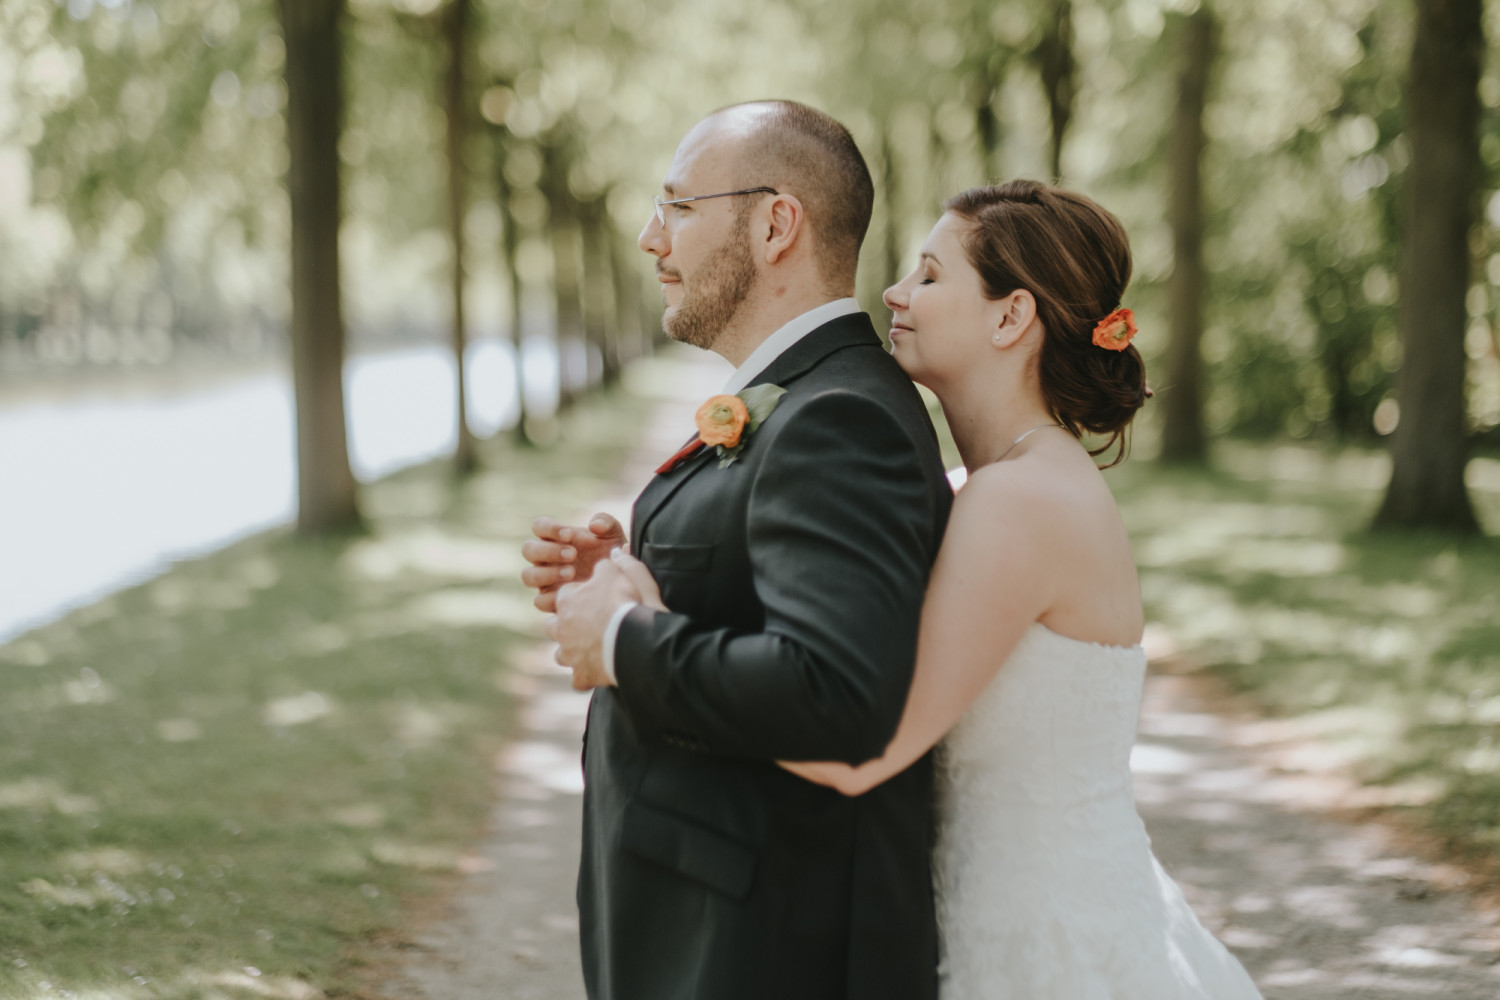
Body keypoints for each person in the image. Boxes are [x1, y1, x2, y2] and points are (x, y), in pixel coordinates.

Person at [602, 180, 1265, 998]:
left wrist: (638, 635)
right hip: (987, 905)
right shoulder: (977, 487)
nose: (893, 292)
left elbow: (855, 744)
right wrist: (652, 574)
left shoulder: (1022, 502)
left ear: (1009, 317)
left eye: (928, 275)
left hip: (1040, 939)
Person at [522, 101, 952, 1000]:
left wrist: (621, 639)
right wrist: (633, 576)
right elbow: (765, 581)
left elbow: (833, 692)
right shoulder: (807, 395)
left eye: (678, 207)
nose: (651, 238)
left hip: (761, 951)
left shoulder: (839, 417)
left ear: (775, 224)